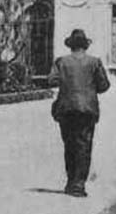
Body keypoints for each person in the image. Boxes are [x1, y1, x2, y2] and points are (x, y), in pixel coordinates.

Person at [48, 29, 111, 197]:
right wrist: (89, 86)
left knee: (69, 145)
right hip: (87, 110)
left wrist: (67, 83)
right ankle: (79, 185)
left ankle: (70, 182)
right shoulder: (94, 62)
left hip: (66, 109)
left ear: (71, 46)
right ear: (85, 46)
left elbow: (51, 81)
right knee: (84, 146)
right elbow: (104, 86)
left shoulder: (61, 62)